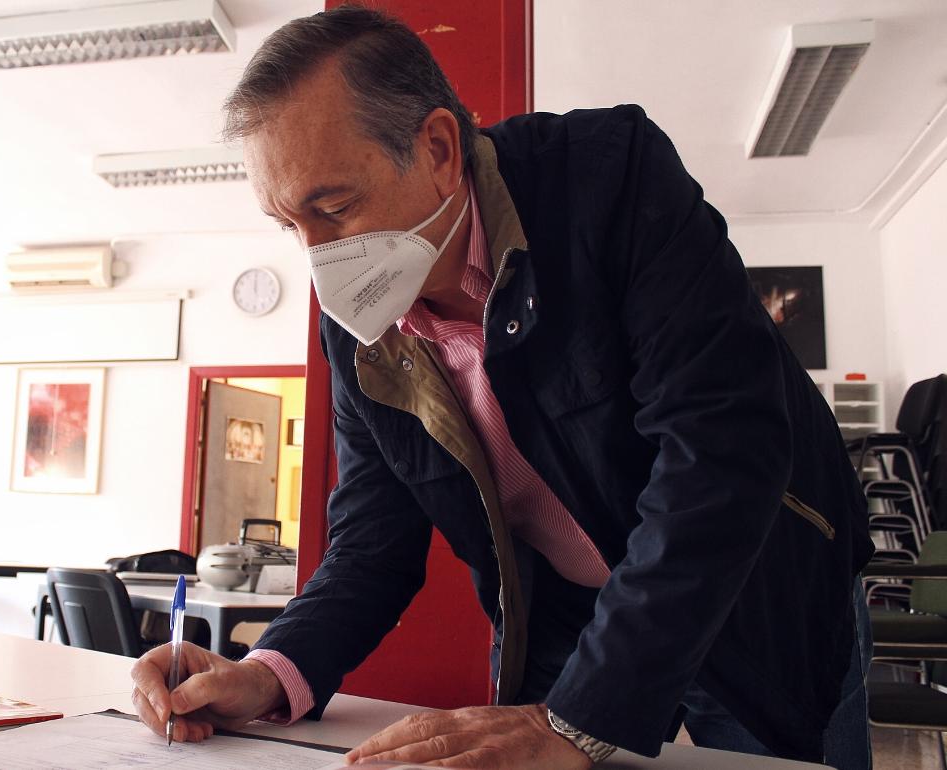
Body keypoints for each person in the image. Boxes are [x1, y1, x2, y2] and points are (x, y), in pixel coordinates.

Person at [131, 6, 874, 768]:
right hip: (570, 626)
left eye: (334, 208)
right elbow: (371, 543)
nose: (317, 261)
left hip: (756, 592)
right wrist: (266, 672)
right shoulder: (359, 326)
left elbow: (720, 449)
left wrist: (584, 718)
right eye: (288, 225)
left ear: (441, 150)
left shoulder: (610, 178)